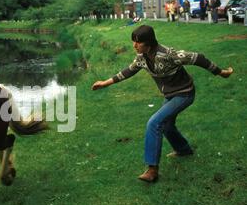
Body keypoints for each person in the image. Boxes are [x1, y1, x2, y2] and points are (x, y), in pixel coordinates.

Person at [91, 25, 234, 183]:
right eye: (133, 42)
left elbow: (198, 57)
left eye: (137, 42)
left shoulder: (168, 54)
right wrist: (105, 83)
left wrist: (221, 73)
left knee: (154, 122)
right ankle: (183, 150)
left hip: (184, 93)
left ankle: (152, 170)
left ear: (148, 42)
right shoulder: (142, 57)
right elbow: (128, 71)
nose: (134, 45)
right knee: (166, 125)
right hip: (170, 95)